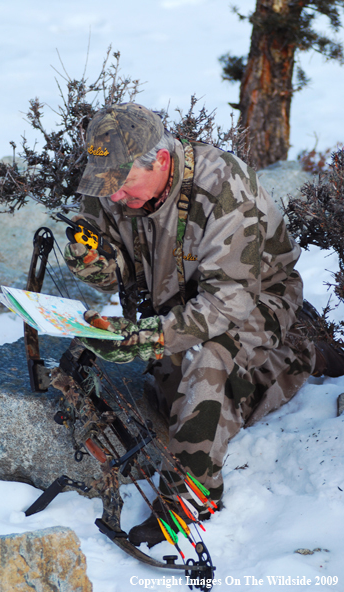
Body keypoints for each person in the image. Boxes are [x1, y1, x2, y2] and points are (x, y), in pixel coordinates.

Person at [62, 102, 344, 547]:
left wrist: (151, 336)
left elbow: (226, 302)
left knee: (205, 361)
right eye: (104, 187)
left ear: (160, 159)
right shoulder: (113, 181)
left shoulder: (225, 188)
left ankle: (189, 497)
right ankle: (283, 365)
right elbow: (115, 265)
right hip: (176, 299)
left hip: (256, 297)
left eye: (120, 186)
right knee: (178, 391)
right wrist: (93, 260)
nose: (112, 196)